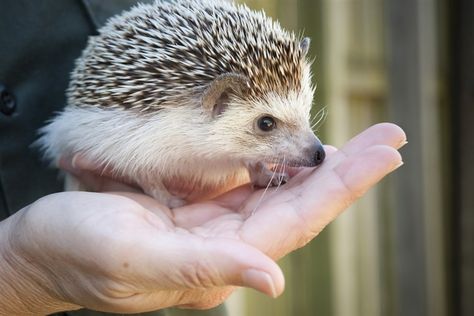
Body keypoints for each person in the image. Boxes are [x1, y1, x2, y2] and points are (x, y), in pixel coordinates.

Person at [0, 0, 406, 315]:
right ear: (216, 102)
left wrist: (254, 162)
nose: (311, 149)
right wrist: (20, 273)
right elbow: (127, 155)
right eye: (266, 124)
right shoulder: (155, 130)